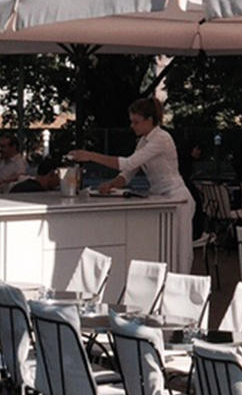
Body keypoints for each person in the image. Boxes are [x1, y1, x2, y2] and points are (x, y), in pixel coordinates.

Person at [68, 97, 195, 271]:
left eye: (136, 122)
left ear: (149, 121)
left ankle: (181, 289)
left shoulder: (161, 139)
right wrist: (112, 184)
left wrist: (91, 156)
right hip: (161, 198)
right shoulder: (143, 141)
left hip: (177, 199)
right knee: (163, 249)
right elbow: (129, 172)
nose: (132, 126)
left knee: (179, 251)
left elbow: (128, 164)